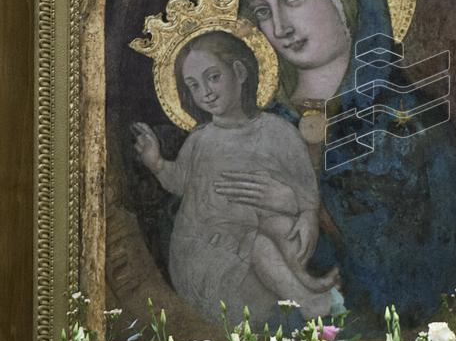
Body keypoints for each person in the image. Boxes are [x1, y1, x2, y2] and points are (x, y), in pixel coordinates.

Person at [225, 0, 456, 336]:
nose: (280, 26)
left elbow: (449, 268)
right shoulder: (252, 125)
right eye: (261, 10)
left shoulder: (416, 125)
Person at [132, 31, 338, 324]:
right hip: (206, 251)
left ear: (239, 72)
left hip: (260, 246)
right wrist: (156, 163)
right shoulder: (200, 140)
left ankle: (304, 282)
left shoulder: (279, 132)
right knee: (259, 243)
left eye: (213, 77)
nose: (206, 92)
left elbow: (305, 189)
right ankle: (306, 299)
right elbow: (178, 182)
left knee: (282, 227)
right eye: (193, 85)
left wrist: (306, 214)